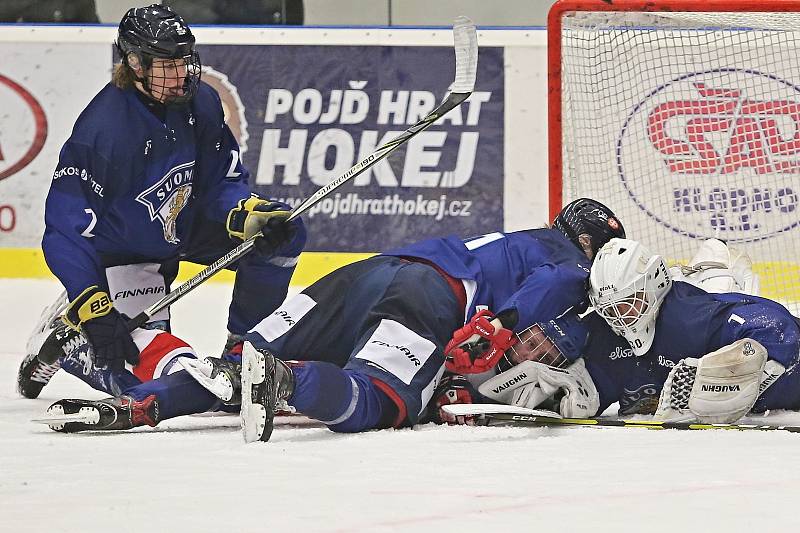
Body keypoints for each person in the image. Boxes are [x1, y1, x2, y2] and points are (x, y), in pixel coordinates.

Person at [37, 198, 626, 439]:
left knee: (233, 369)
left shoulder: (521, 239)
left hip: (367, 273)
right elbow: (550, 290)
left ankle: (140, 404)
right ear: (593, 244)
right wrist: (504, 327)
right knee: (380, 400)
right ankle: (289, 382)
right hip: (427, 296)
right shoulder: (570, 261)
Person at [17, 4, 306, 400]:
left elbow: (220, 180)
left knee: (283, 233)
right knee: (159, 384)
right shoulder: (103, 131)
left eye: (184, 61)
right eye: (166, 65)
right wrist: (89, 299)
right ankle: (73, 346)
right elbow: (65, 230)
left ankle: (245, 353)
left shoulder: (200, 102)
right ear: (134, 63)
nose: (181, 74)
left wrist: (244, 214)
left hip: (184, 227)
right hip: (127, 253)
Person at [477, 237, 800, 426]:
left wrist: (760, 362)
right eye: (609, 310)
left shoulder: (685, 317)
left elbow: (775, 324)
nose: (620, 319)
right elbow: (602, 382)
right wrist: (564, 399)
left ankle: (720, 265)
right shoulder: (607, 337)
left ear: (654, 284)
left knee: (722, 285)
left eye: (628, 304)